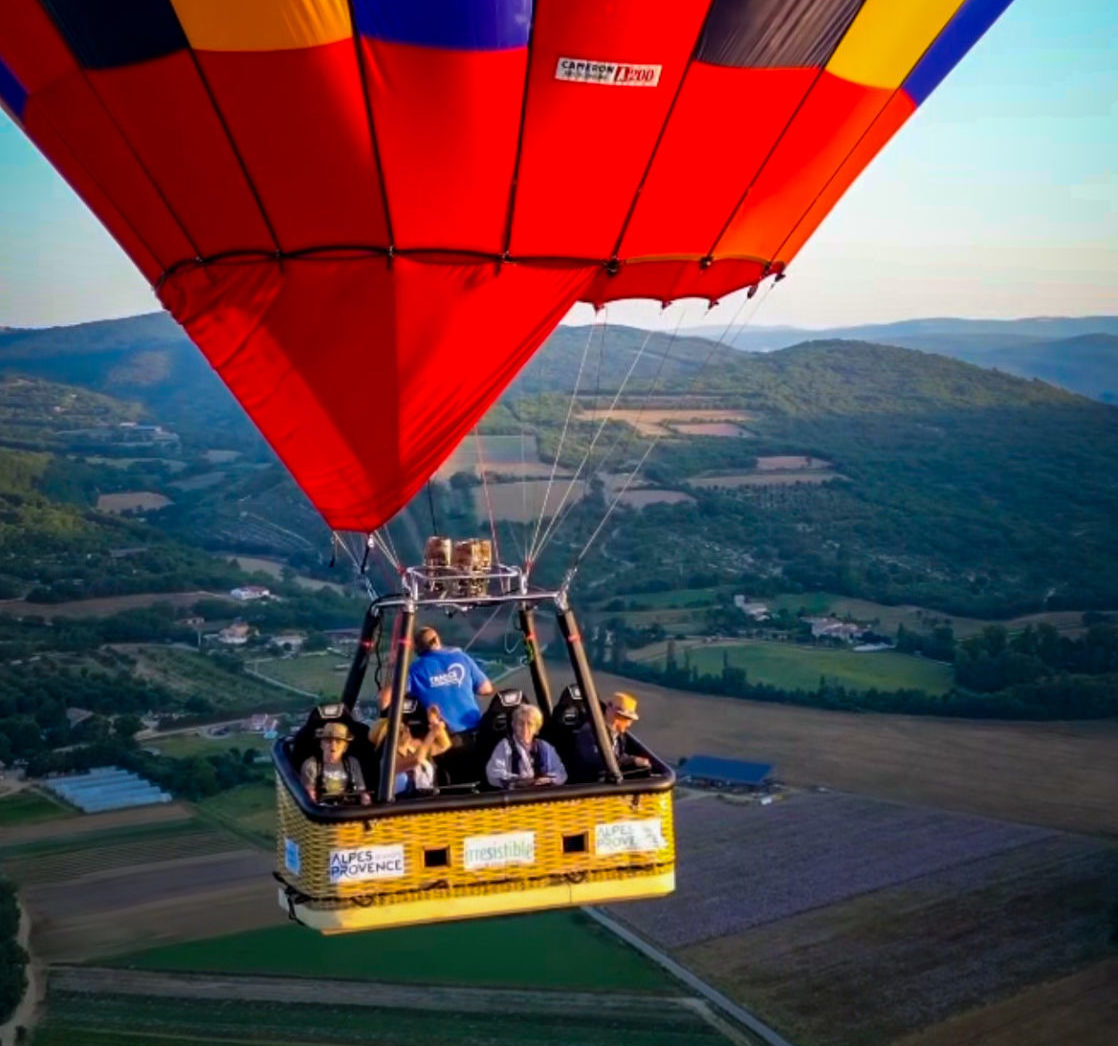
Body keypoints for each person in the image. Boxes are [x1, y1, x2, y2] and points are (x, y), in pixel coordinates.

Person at [400, 626, 494, 781]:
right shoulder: (461, 657)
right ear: (436, 640)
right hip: (475, 734)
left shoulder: (415, 670)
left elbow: (397, 696)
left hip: (445, 739)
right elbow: (485, 688)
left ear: (417, 649)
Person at [372, 705, 451, 796]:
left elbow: (444, 745)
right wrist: (432, 734)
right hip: (404, 805)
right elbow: (416, 759)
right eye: (400, 731)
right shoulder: (387, 761)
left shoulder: (416, 748)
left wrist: (434, 722)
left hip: (429, 800)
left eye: (404, 727)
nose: (407, 730)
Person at [486, 704, 567, 789]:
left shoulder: (545, 747)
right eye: (521, 724)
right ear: (513, 726)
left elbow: (561, 774)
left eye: (530, 724)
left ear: (536, 729)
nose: (525, 728)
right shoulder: (504, 746)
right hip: (516, 796)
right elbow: (493, 774)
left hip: (542, 794)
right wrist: (520, 781)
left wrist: (548, 780)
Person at [573, 691, 652, 779]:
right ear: (617, 716)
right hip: (590, 783)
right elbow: (599, 761)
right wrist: (632, 761)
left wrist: (636, 760)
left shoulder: (619, 735)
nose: (629, 724)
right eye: (627, 719)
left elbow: (618, 755)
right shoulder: (590, 732)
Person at [300, 721, 370, 805]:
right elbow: (309, 796)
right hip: (322, 811)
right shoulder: (311, 765)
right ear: (321, 744)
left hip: (348, 809)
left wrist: (367, 806)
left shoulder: (352, 763)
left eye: (338, 742)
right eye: (328, 741)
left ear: (345, 747)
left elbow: (362, 790)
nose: (333, 747)